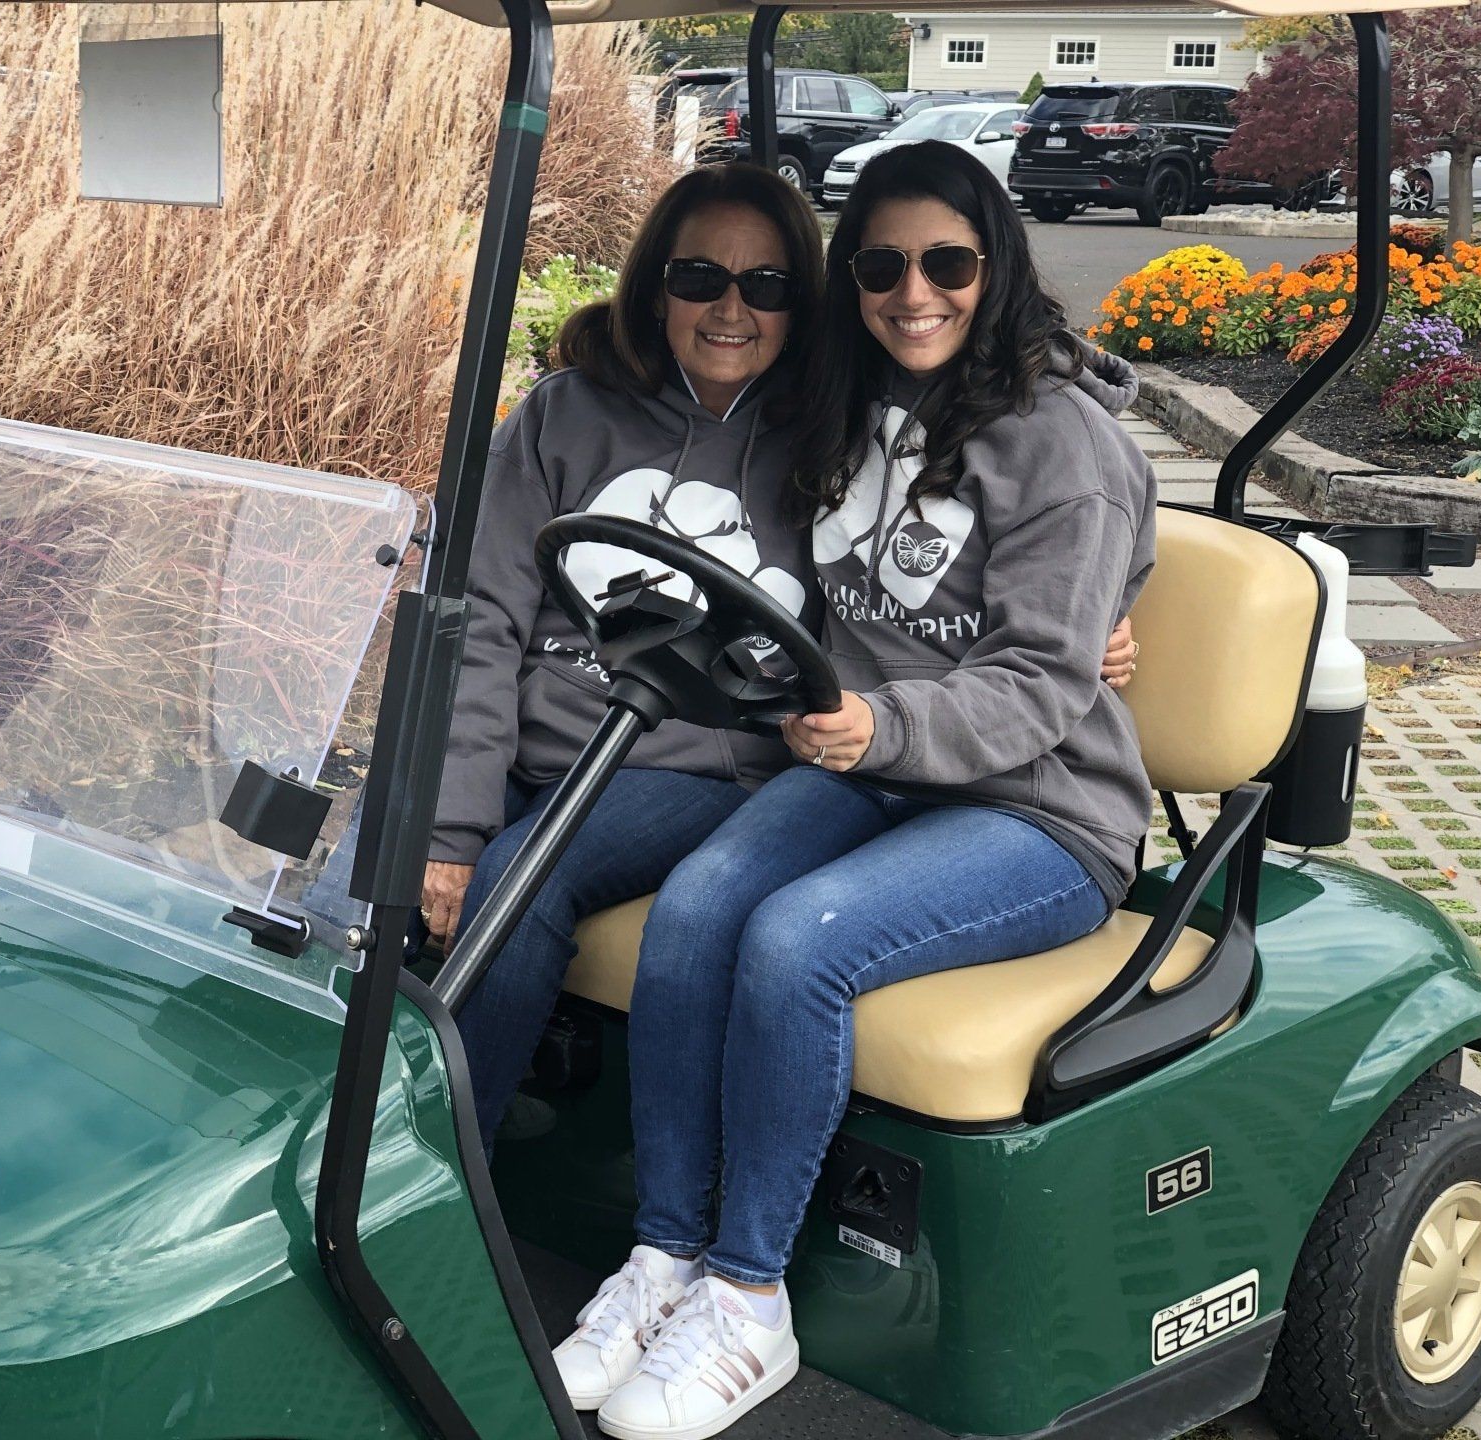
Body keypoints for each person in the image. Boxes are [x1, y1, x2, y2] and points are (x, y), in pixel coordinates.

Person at [568, 140, 1161, 1440]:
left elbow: (1043, 683)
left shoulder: (1060, 441)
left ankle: (748, 1298)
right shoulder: (853, 397)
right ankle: (665, 1256)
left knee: (800, 942)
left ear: (996, 266)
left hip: (1040, 809)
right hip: (881, 767)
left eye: (948, 263)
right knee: (699, 903)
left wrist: (894, 715)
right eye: (883, 266)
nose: (914, 293)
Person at [426, 164, 827, 1155]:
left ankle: (432, 1175)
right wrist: (447, 823)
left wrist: (1101, 605)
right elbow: (482, 614)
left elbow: (975, 485)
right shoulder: (568, 414)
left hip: (696, 764)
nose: (731, 309)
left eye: (767, 285)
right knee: (355, 868)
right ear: (656, 287)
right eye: (699, 278)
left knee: (518, 884)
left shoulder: (833, 437)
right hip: (540, 738)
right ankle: (291, 1126)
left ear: (800, 304)